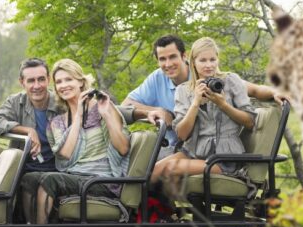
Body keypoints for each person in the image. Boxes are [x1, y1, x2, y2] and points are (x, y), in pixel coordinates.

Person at [122, 35, 287, 150]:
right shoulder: (157, 78)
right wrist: (157, 111)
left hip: (206, 147)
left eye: (173, 57)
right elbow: (126, 105)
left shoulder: (207, 75)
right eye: (162, 59)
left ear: (185, 57)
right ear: (157, 61)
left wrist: (275, 92)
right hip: (175, 144)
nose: (168, 64)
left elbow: (255, 90)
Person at [31, 59, 131, 224]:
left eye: (69, 79)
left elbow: (123, 148)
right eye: (59, 82)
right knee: (29, 178)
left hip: (101, 180)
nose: (63, 85)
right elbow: (66, 155)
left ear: (81, 82)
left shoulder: (103, 107)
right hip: (74, 176)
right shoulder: (57, 122)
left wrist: (106, 115)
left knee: (50, 180)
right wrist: (77, 116)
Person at [150, 37, 255, 187]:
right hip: (194, 151)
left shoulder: (231, 81)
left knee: (169, 168)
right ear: (193, 62)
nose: (208, 65)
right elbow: (182, 135)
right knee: (154, 170)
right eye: (203, 60)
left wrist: (223, 104)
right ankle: (142, 209)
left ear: (218, 60)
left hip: (224, 157)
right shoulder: (183, 90)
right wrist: (195, 103)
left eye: (212, 60)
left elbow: (250, 122)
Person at [0, 58, 59, 221]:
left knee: (36, 182)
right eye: (31, 80)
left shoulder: (61, 101)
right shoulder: (15, 101)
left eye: (41, 79)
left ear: (48, 79)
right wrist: (26, 130)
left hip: (57, 167)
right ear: (22, 82)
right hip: (24, 167)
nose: (37, 86)